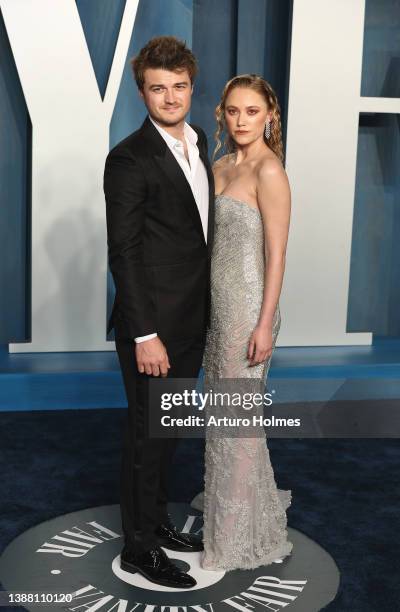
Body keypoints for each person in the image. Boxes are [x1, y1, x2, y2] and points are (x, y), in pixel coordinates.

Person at [103, 36, 214, 588]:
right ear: (142, 91)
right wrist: (144, 333)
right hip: (153, 329)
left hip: (191, 321)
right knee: (147, 436)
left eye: (178, 86)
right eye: (157, 88)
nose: (169, 97)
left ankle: (158, 524)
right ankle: (138, 549)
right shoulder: (129, 157)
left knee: (168, 432)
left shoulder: (200, 143)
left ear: (192, 86)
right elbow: (122, 251)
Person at [199, 74, 293, 571]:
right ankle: (230, 513)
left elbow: (276, 255)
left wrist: (264, 323)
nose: (241, 121)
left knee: (238, 421)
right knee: (224, 418)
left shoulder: (269, 172)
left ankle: (236, 539)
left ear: (269, 116)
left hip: (249, 309)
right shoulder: (219, 166)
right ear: (222, 113)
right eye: (233, 111)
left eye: (252, 111)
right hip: (218, 309)